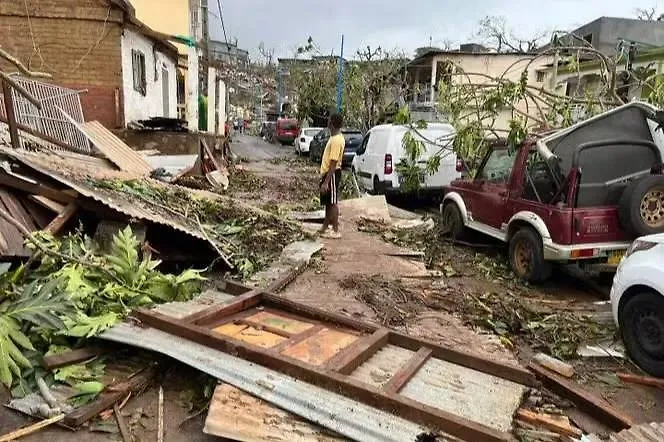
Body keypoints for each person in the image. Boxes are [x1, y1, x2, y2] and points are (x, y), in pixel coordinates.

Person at [318, 113, 345, 239]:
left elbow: (333, 163)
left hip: (332, 174)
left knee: (333, 202)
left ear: (332, 123)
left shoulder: (336, 140)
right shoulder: (334, 137)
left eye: (329, 120)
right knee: (328, 202)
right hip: (328, 174)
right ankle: (325, 227)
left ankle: (335, 230)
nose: (327, 122)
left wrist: (326, 182)